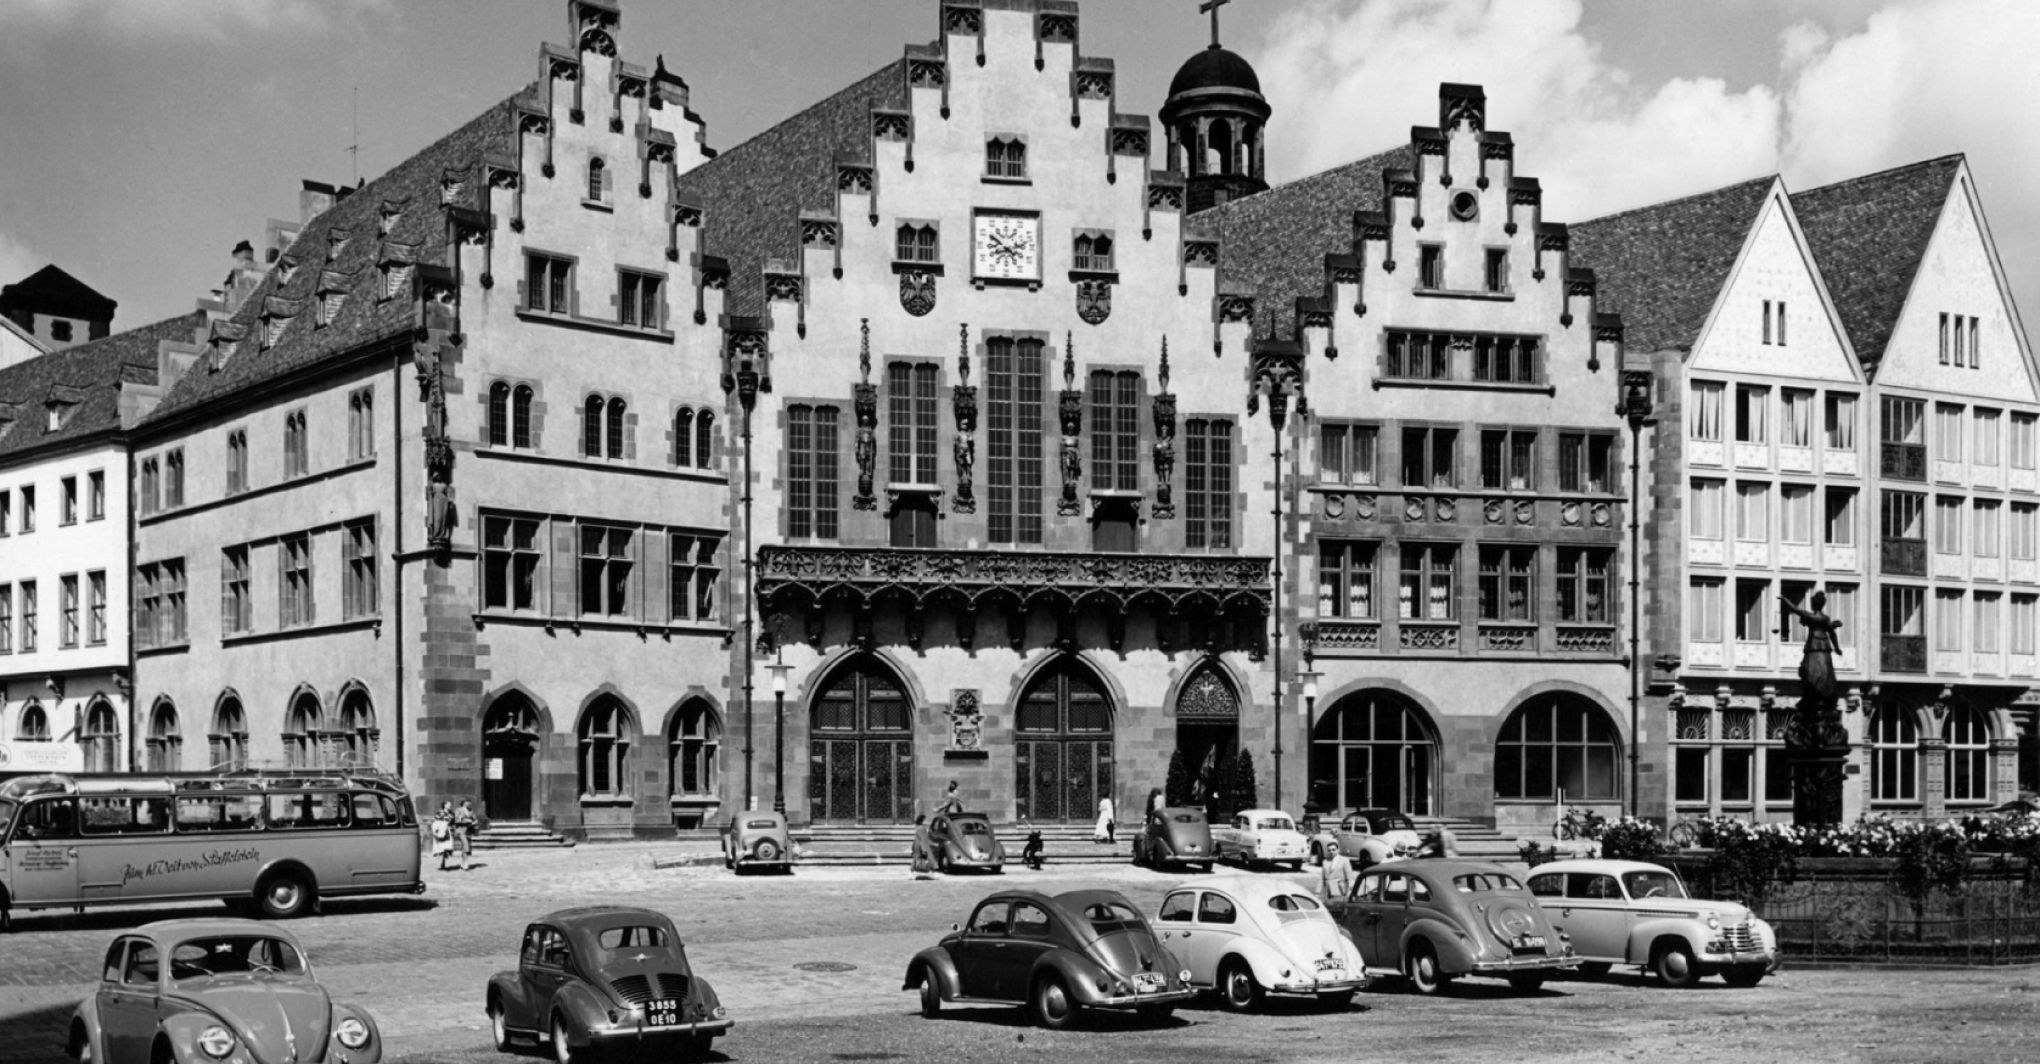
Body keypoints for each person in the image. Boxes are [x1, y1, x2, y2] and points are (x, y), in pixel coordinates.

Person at [453, 799, 479, 871]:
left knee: (466, 847)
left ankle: (463, 862)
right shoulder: (458, 810)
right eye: (468, 803)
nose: (469, 804)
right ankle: (465, 863)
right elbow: (456, 820)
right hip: (461, 831)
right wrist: (467, 821)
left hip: (468, 831)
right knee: (466, 845)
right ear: (464, 803)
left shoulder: (471, 811)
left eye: (470, 803)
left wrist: (474, 822)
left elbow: (475, 819)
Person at [429, 803, 455, 871]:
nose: (450, 806)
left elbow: (453, 823)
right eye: (448, 804)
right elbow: (434, 820)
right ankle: (441, 862)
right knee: (440, 848)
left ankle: (443, 862)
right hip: (440, 831)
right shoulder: (440, 812)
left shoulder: (452, 813)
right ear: (444, 805)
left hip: (448, 832)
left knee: (447, 848)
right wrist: (435, 831)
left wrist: (453, 830)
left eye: (450, 804)